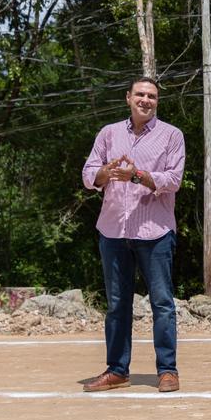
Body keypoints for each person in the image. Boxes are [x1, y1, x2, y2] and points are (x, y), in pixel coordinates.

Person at [80, 77, 186, 393]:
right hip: (113, 230)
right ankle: (117, 370)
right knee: (116, 304)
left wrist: (137, 175)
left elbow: (174, 179)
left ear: (157, 102)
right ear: (128, 98)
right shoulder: (108, 134)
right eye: (140, 94)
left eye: (151, 96)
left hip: (155, 232)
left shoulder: (171, 135)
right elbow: (88, 175)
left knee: (162, 303)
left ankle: (167, 371)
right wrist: (105, 173)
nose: (145, 100)